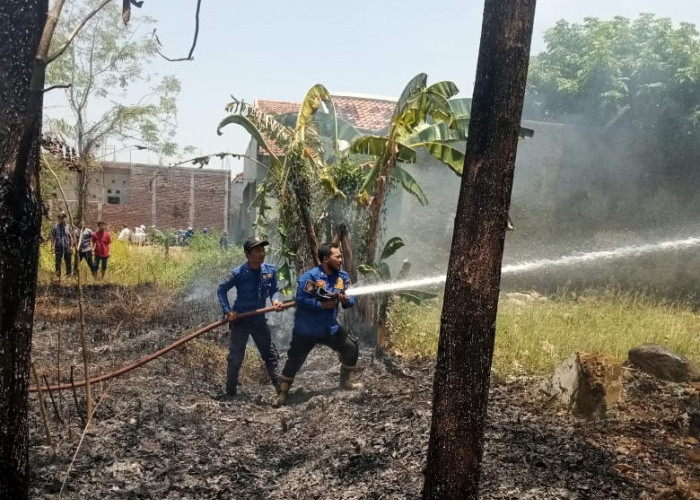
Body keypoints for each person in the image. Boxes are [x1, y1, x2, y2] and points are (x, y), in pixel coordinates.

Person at [274, 243, 362, 407]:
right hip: (306, 330)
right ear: (325, 259)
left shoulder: (342, 277)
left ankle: (346, 382)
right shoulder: (311, 277)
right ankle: (282, 393)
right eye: (338, 257)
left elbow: (351, 300)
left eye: (341, 256)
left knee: (351, 347)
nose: (341, 260)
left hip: (329, 328)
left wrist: (346, 300)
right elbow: (300, 300)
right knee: (294, 360)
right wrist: (321, 306)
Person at [216, 237, 284, 399]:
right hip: (241, 320)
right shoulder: (238, 273)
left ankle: (281, 391)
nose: (262, 254)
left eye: (263, 250)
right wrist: (228, 311)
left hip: (259, 320)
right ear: (248, 255)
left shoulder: (270, 270)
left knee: (270, 355)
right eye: (258, 251)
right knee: (235, 357)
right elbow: (221, 290)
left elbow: (275, 289)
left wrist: (275, 299)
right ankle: (230, 393)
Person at [50, 212, 73, 279]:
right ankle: (58, 276)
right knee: (58, 262)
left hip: (67, 247)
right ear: (59, 219)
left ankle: (68, 276)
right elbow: (53, 237)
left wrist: (71, 247)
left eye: (63, 218)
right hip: (58, 247)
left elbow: (71, 237)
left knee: (68, 261)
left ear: (65, 218)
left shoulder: (68, 227)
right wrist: (52, 247)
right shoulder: (55, 227)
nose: (62, 219)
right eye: (60, 218)